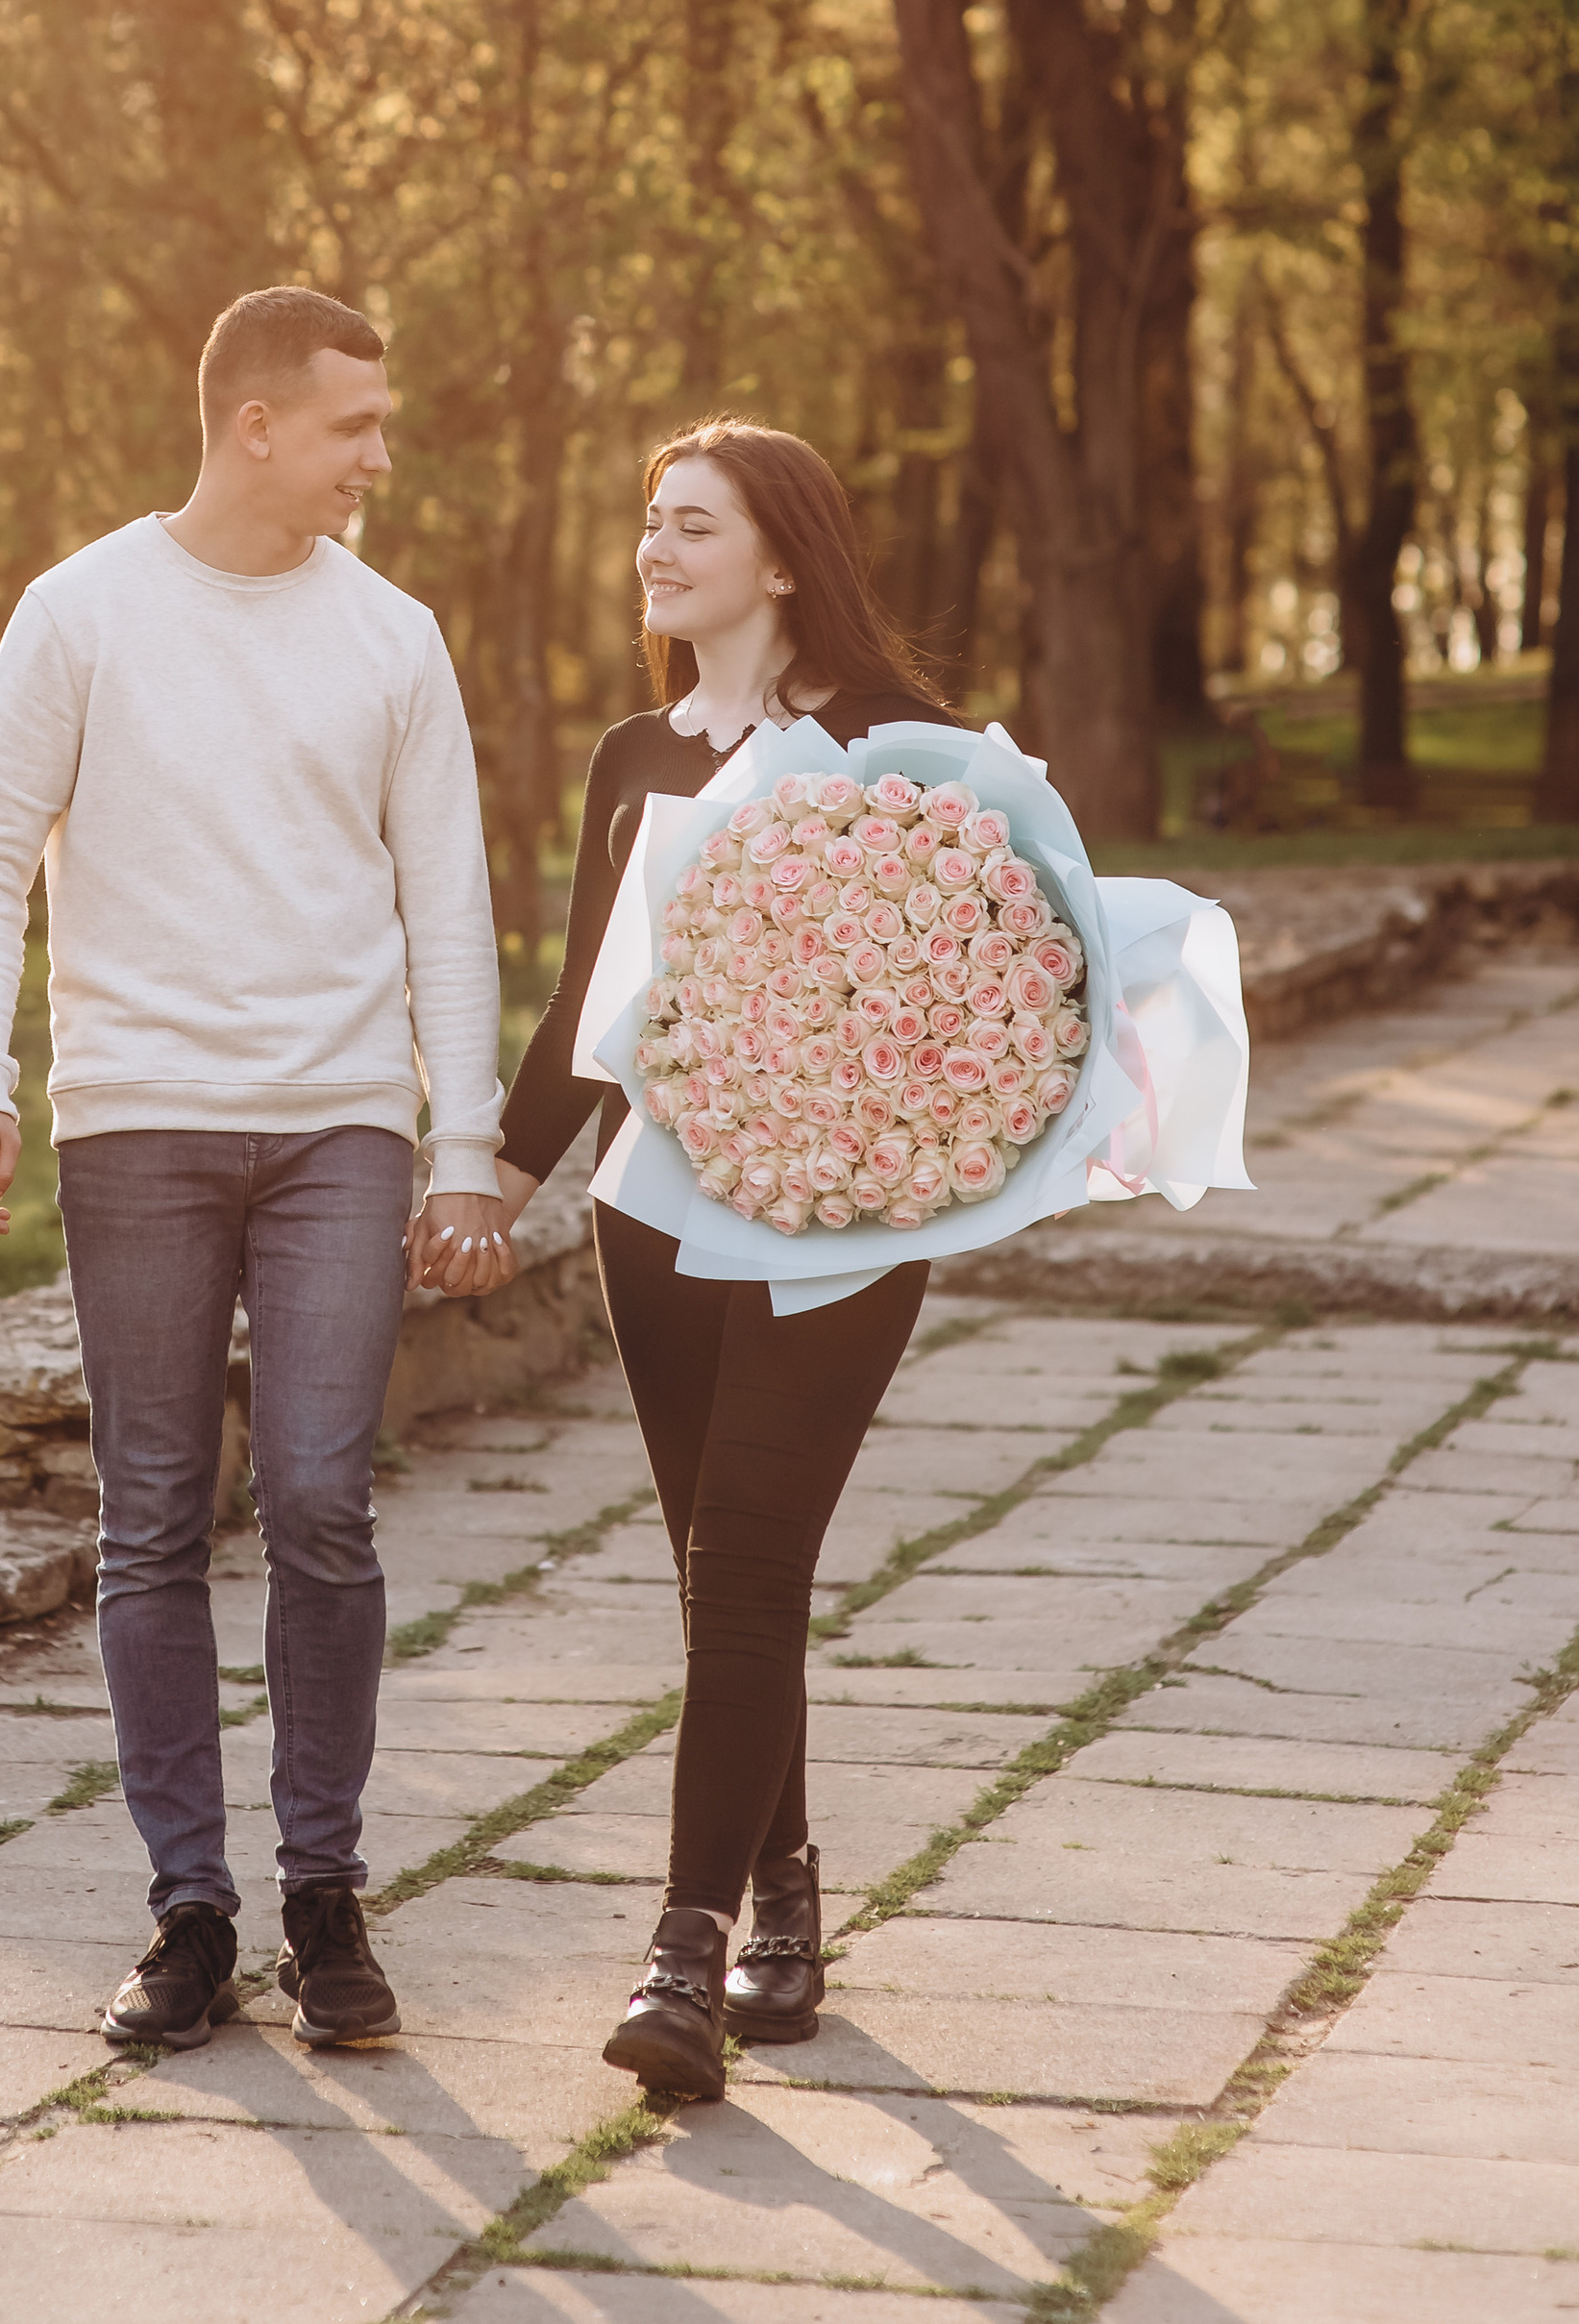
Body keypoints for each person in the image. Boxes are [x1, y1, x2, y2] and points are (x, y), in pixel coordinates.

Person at [0, 285, 516, 2057]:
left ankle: (325, 1888)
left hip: (342, 1120)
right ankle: (191, 1908)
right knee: (153, 1519)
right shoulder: (82, 613)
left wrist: (466, 1141)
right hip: (139, 1126)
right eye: (354, 424)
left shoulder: (396, 639)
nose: (379, 455)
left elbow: (452, 908)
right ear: (255, 423)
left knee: (323, 1498)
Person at [421, 419, 960, 2101]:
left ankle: (684, 1957)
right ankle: (785, 1897)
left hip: (842, 1234)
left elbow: (984, 977)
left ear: (784, 557)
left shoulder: (909, 747)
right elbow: (594, 1012)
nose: (657, 549)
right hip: (660, 1227)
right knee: (725, 1573)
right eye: (650, 523)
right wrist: (495, 1182)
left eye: (694, 524)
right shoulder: (631, 757)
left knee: (741, 1565)